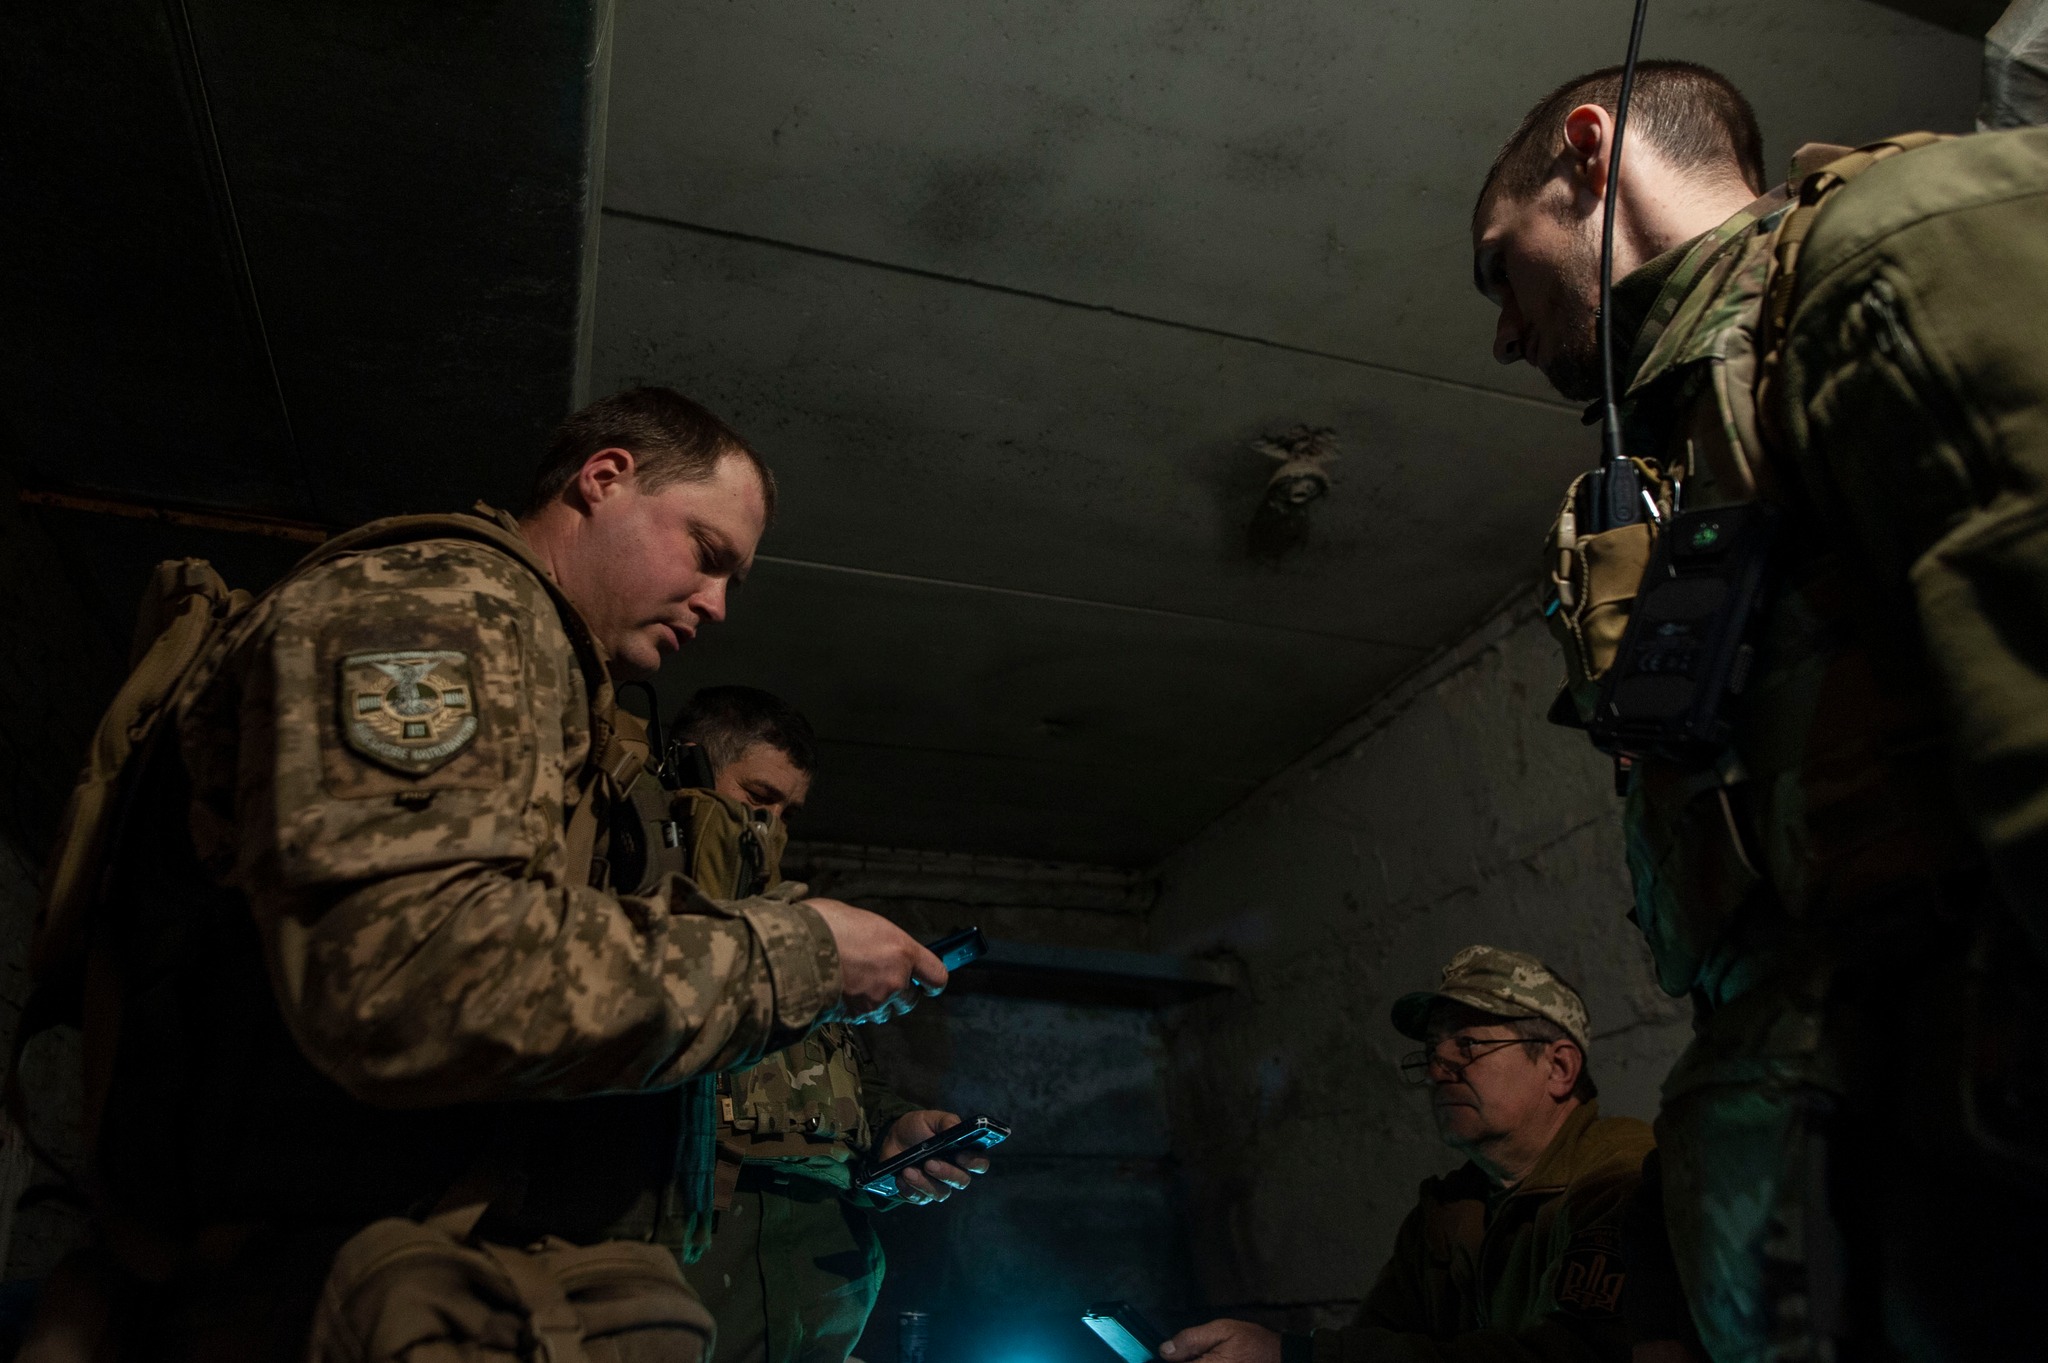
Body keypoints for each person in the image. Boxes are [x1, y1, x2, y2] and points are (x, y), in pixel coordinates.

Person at [31, 387, 950, 1361]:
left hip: (410, 1276)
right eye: (706, 553)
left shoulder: (548, 677)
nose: (717, 602)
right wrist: (795, 955)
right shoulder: (432, 606)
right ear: (604, 478)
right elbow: (410, 975)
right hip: (304, 1289)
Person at [1471, 62, 2048, 1360]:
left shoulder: (1884, 250)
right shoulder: (1677, 454)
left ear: (1587, 150)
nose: (1502, 333)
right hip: (1830, 1165)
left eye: (1496, 267)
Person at [662, 685, 989, 1363]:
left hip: (820, 1309)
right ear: (689, 771)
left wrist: (895, 1131)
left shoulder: (797, 933)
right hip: (684, 1289)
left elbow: (839, 1080)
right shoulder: (631, 920)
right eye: (757, 798)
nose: (771, 826)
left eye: (787, 811)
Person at [1160, 947, 1650, 1363]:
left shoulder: (1620, 1176)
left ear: (1559, 1067)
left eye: (1469, 1045)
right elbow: (1381, 1335)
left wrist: (1295, 1354)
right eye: (1433, 1054)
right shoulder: (1449, 1211)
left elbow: (1572, 1356)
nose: (1439, 1072)